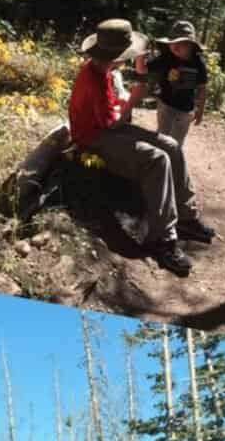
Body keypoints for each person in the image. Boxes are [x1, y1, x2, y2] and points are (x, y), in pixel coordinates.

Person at [67, 18, 214, 277]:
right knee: (157, 159)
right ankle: (163, 240)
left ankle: (187, 217)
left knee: (170, 145)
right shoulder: (93, 78)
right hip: (94, 138)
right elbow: (110, 124)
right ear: (117, 56)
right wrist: (132, 100)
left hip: (106, 129)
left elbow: (111, 112)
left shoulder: (102, 71)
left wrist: (125, 100)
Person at [133, 19, 208, 148]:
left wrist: (200, 109)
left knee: (176, 144)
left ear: (191, 45)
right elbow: (142, 69)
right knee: (162, 137)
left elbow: (202, 87)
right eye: (172, 42)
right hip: (165, 106)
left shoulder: (198, 63)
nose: (175, 46)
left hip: (186, 110)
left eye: (181, 43)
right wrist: (140, 54)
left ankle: (172, 164)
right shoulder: (166, 58)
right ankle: (159, 162)